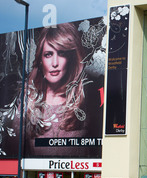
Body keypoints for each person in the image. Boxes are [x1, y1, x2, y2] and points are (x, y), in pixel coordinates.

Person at [24, 23, 100, 157]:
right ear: (40, 59)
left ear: (71, 57)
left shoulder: (88, 100)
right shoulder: (27, 101)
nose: (54, 63)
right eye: (48, 54)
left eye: (61, 53)